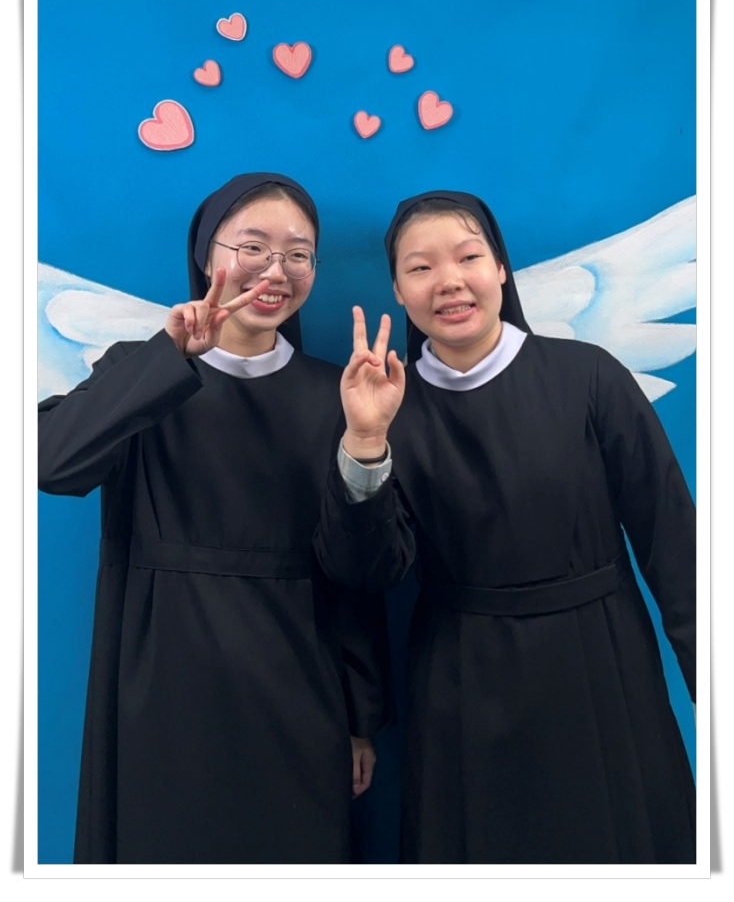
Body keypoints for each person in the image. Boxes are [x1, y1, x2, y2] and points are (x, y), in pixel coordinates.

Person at [314, 189, 696, 864]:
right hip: (461, 678)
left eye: (468, 257)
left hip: (598, 663)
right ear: (398, 291)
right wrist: (366, 444)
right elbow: (367, 572)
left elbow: (675, 547)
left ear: (500, 269)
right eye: (421, 267)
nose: (449, 281)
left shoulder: (590, 378)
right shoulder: (386, 408)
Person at [38, 172, 391, 864]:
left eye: (298, 254)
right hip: (163, 680)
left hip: (298, 687)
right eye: (252, 247)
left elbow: (355, 577)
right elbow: (50, 463)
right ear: (207, 257)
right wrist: (167, 356)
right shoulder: (142, 372)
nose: (275, 271)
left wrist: (360, 716)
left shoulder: (341, 394)